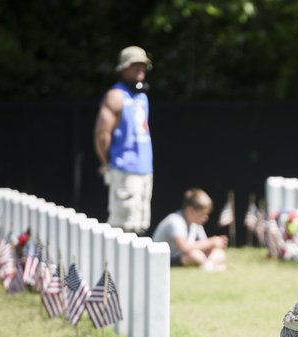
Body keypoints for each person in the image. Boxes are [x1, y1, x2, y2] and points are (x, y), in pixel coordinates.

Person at [94, 46, 154, 235]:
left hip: (144, 170)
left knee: (140, 226)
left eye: (143, 65)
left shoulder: (142, 96)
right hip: (124, 169)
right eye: (135, 65)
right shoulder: (115, 96)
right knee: (122, 228)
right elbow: (102, 135)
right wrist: (108, 164)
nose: (140, 69)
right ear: (123, 68)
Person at [152, 188, 228, 269]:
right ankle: (210, 266)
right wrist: (211, 242)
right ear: (190, 210)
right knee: (194, 255)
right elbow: (184, 247)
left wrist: (215, 244)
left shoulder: (195, 224)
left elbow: (203, 244)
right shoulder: (175, 221)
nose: (206, 218)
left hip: (184, 254)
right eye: (202, 214)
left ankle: (208, 265)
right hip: (165, 257)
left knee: (219, 253)